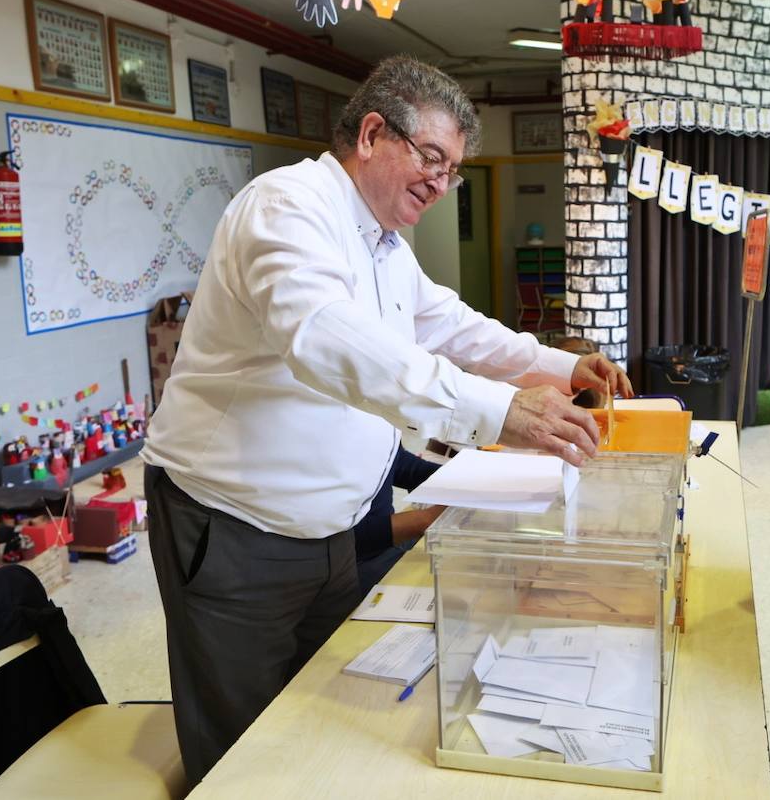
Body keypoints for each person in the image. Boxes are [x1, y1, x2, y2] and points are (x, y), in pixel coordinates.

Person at [141, 55, 633, 785]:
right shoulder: (287, 207)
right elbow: (328, 341)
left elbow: (450, 324)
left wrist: (560, 365)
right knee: (244, 747)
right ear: (372, 133)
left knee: (324, 707)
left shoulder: (382, 244)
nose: (442, 182)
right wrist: (500, 409)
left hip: (331, 530)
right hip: (236, 526)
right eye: (431, 157)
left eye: (454, 169)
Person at [352, 444, 442, 595]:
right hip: (355, 563)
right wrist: (425, 519)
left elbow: (400, 463)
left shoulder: (370, 428)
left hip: (386, 546)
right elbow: (341, 536)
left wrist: (460, 479)